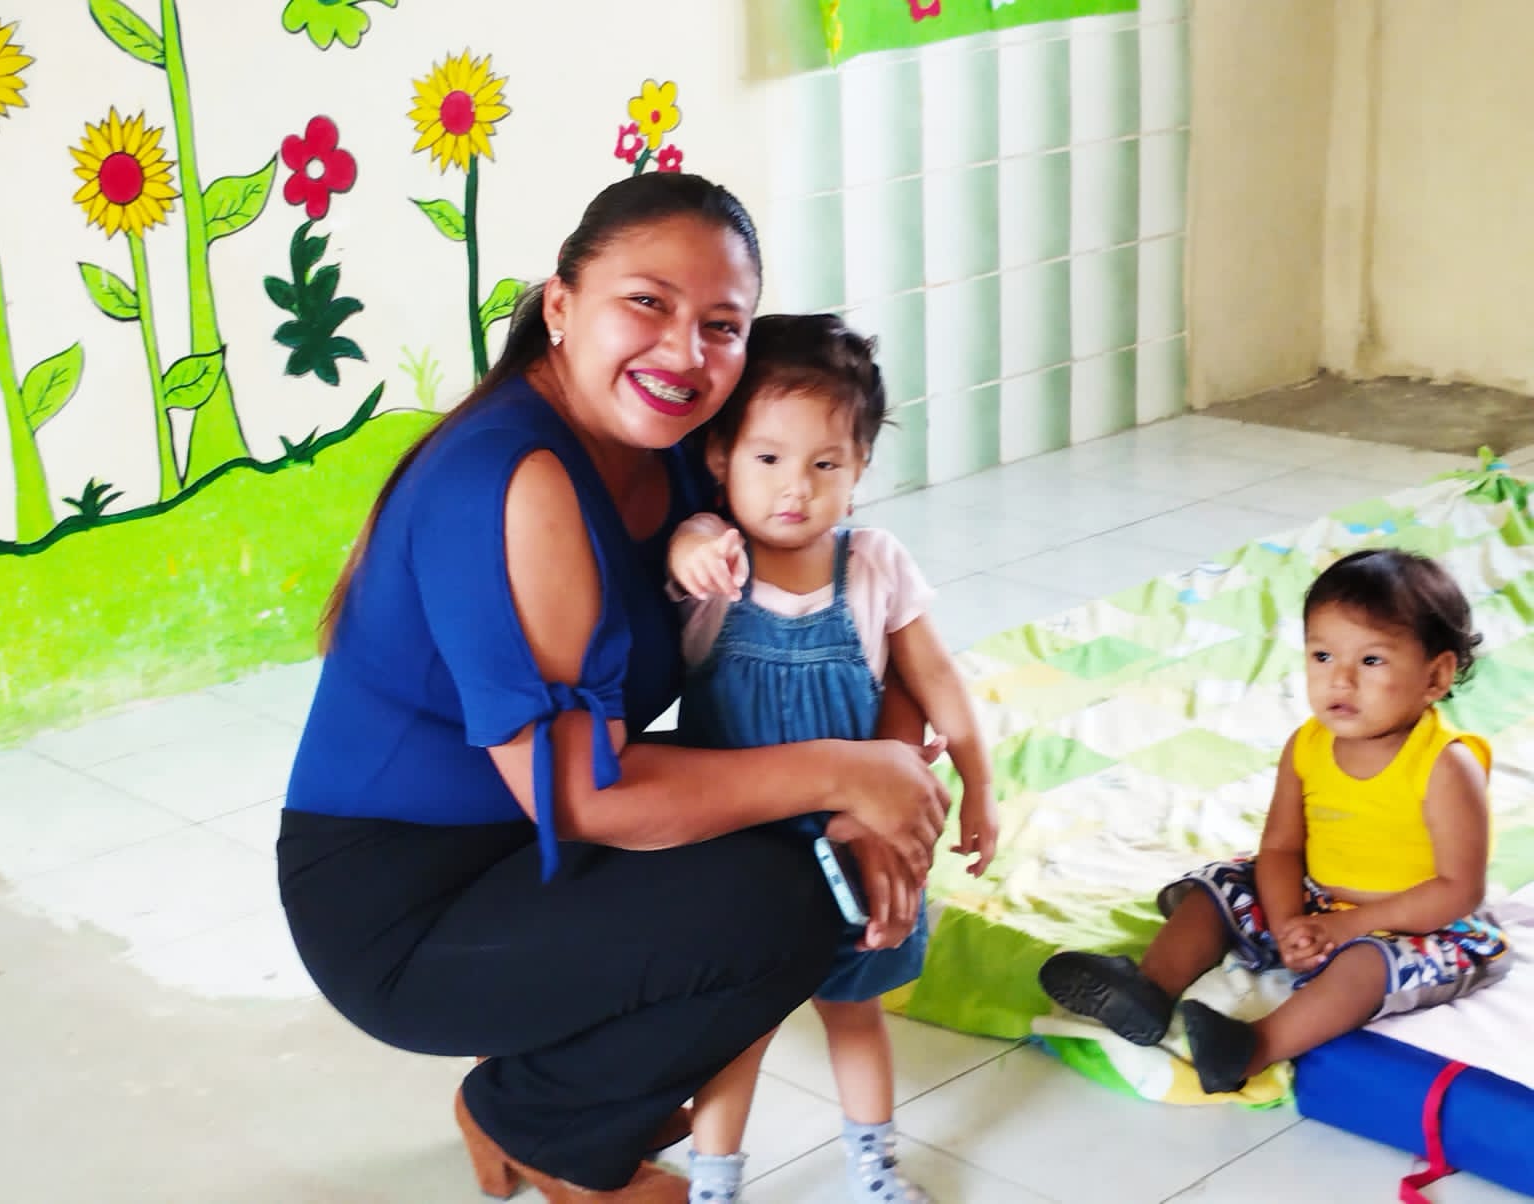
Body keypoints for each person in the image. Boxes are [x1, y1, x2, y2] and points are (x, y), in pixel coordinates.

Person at [276, 174, 952, 1202]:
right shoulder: (515, 480)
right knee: (781, 907)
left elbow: (860, 614)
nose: (684, 352)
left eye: (720, 325)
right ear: (561, 305)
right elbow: (586, 797)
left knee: (812, 853)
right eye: (647, 302)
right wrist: (846, 774)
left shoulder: (675, 451)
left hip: (524, 841)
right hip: (405, 906)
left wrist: (871, 781)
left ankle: (558, 1089)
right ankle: (540, 1120)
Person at [664, 314, 998, 1203]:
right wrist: (690, 548)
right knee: (739, 1030)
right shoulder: (713, 559)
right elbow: (679, 550)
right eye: (768, 458)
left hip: (858, 849)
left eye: (825, 464)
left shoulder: (874, 564)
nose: (795, 488)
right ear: (720, 456)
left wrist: (979, 786)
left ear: (859, 471)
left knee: (855, 1013)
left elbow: (937, 679)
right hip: (744, 854)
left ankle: (874, 1165)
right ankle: (714, 1182)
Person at [1038, 549, 1512, 1094]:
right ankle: (1149, 989)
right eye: (1322, 656)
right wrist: (1288, 921)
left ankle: (1251, 1047)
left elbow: (1457, 890)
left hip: (1420, 925)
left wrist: (1347, 927)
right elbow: (1282, 847)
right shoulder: (1307, 745)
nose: (1341, 680)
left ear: (1436, 675)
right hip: (1316, 903)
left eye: (1371, 661)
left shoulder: (1444, 765)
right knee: (1222, 883)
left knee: (1367, 967)